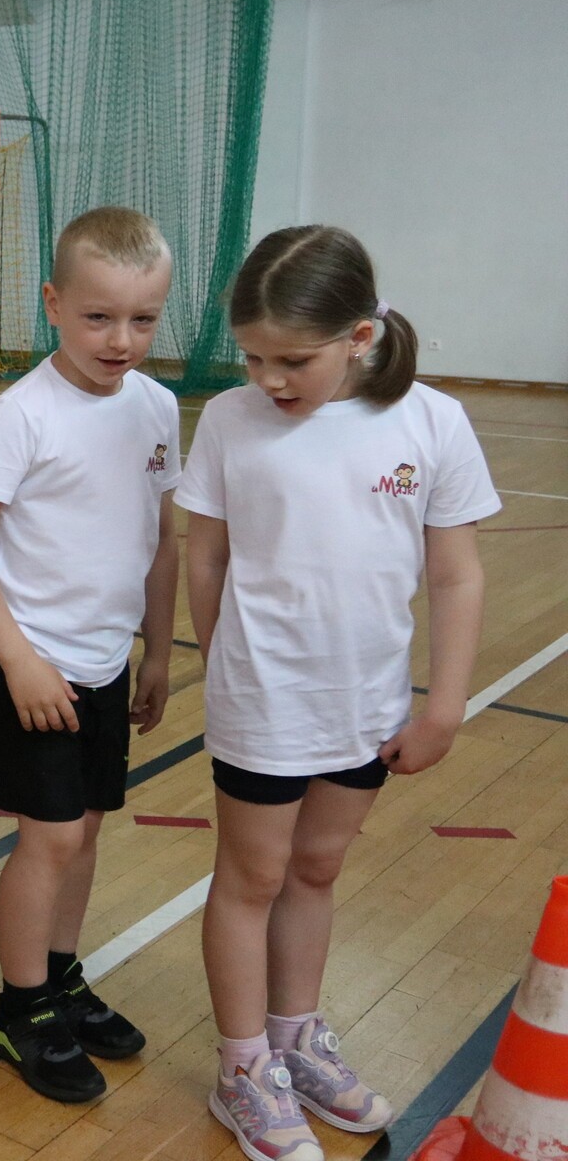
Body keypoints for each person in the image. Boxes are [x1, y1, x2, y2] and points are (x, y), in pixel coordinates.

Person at [188, 227, 496, 1161]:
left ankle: (294, 1040)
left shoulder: (431, 421)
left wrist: (443, 706)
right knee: (251, 878)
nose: (269, 378)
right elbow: (206, 555)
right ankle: (243, 1067)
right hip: (263, 702)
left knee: (317, 870)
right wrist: (226, 662)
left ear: (361, 336)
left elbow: (457, 575)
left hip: (366, 702)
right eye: (253, 357)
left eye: (293, 360)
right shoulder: (231, 420)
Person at [0, 206, 179, 1104]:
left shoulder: (156, 407)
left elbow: (161, 539)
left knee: (88, 829)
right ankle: (22, 1005)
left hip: (106, 661)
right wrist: (19, 661)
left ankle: (62, 976)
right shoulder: (22, 415)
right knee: (52, 837)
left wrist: (158, 652)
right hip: (27, 665)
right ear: (52, 304)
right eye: (98, 317)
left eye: (143, 319)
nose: (121, 340)